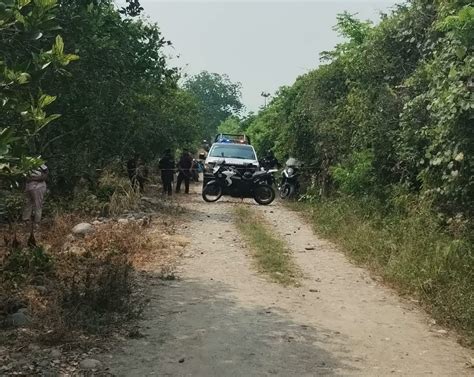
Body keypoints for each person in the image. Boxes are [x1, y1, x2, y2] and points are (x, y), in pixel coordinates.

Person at [22, 163, 48, 229]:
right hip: (29, 187)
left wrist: (33, 179)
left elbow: (44, 176)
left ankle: (37, 222)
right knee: (27, 203)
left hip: (38, 187)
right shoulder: (27, 164)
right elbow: (25, 176)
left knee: (38, 204)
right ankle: (26, 220)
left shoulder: (40, 164)